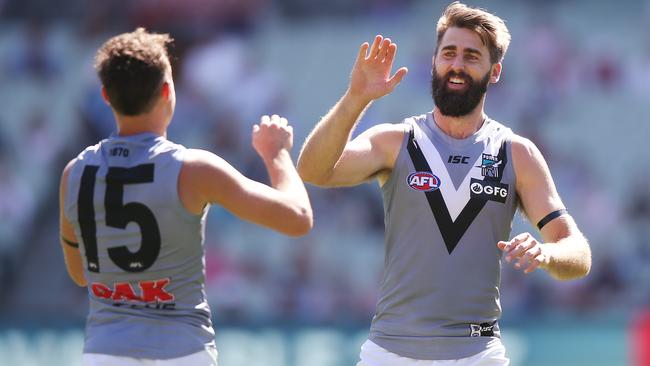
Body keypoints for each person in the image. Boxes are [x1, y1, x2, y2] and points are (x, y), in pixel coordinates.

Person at [297, 2, 591, 365]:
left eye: (471, 56)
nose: (457, 65)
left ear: (494, 71)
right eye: (448, 53)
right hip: (389, 353)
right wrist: (356, 99)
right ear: (434, 60)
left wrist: (547, 254)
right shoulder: (396, 141)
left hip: (478, 354)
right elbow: (313, 170)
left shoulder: (517, 153)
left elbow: (578, 253)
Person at [59, 28, 312, 366]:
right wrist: (276, 155)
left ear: (106, 95)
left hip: (105, 353)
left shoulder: (74, 173)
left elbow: (80, 274)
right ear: (167, 91)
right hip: (182, 351)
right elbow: (297, 218)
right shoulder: (193, 168)